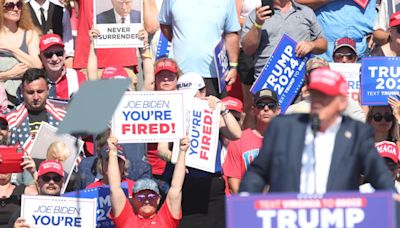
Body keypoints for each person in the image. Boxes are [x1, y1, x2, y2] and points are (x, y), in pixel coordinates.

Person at [239, 68, 396, 194]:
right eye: (315, 95)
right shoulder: (283, 128)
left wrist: (393, 196)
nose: (318, 102)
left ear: (342, 103)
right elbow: (258, 172)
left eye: (325, 97)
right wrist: (246, 197)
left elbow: (379, 173)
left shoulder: (357, 133)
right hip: (290, 216)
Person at [158, 72, 242, 228]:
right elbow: (162, 149)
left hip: (210, 186)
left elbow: (236, 134)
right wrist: (177, 159)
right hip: (182, 183)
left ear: (203, 92)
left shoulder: (211, 111)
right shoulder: (172, 111)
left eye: (193, 94)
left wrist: (222, 109)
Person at [159, 0, 240, 97]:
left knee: (214, 110)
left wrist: (233, 66)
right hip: (180, 73)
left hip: (214, 74)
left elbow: (231, 34)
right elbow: (165, 25)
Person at [108, 135, 189, 227]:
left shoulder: (166, 218)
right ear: (133, 199)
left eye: (151, 197)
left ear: (158, 199)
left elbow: (176, 187)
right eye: (141, 197)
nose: (146, 201)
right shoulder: (126, 218)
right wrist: (112, 152)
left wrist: (182, 151)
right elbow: (114, 188)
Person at [5, 68, 65, 186]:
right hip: (22, 178)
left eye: (40, 91)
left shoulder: (62, 117)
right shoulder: (10, 120)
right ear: (22, 91)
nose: (36, 97)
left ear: (48, 90)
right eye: (31, 92)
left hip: (56, 176)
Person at [241, 0, 327, 79]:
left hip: (300, 81)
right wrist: (258, 24)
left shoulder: (305, 12)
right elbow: (248, 50)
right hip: (268, 82)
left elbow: (323, 44)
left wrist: (311, 45)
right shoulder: (256, 15)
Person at [223, 89, 280, 194]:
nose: (266, 108)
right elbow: (234, 185)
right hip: (250, 205)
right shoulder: (238, 140)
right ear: (254, 110)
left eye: (271, 105)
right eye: (261, 105)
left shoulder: (287, 140)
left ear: (278, 110)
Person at [297, 0, 377, 61]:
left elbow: (386, 7)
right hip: (325, 50)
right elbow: (296, 3)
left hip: (365, 48)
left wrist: (378, 30)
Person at [11, 160, 65, 227]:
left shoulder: (72, 208)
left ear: (62, 182)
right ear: (38, 181)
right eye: (46, 178)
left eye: (56, 178)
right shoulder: (25, 209)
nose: (51, 182)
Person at [26, 0, 74, 67]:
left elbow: (68, 48)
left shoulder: (61, 11)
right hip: (32, 65)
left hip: (56, 65)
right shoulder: (21, 11)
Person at [39, 34, 86, 100]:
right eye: (48, 54)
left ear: (64, 54)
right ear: (40, 58)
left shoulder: (78, 77)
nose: (54, 59)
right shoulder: (34, 80)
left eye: (59, 53)